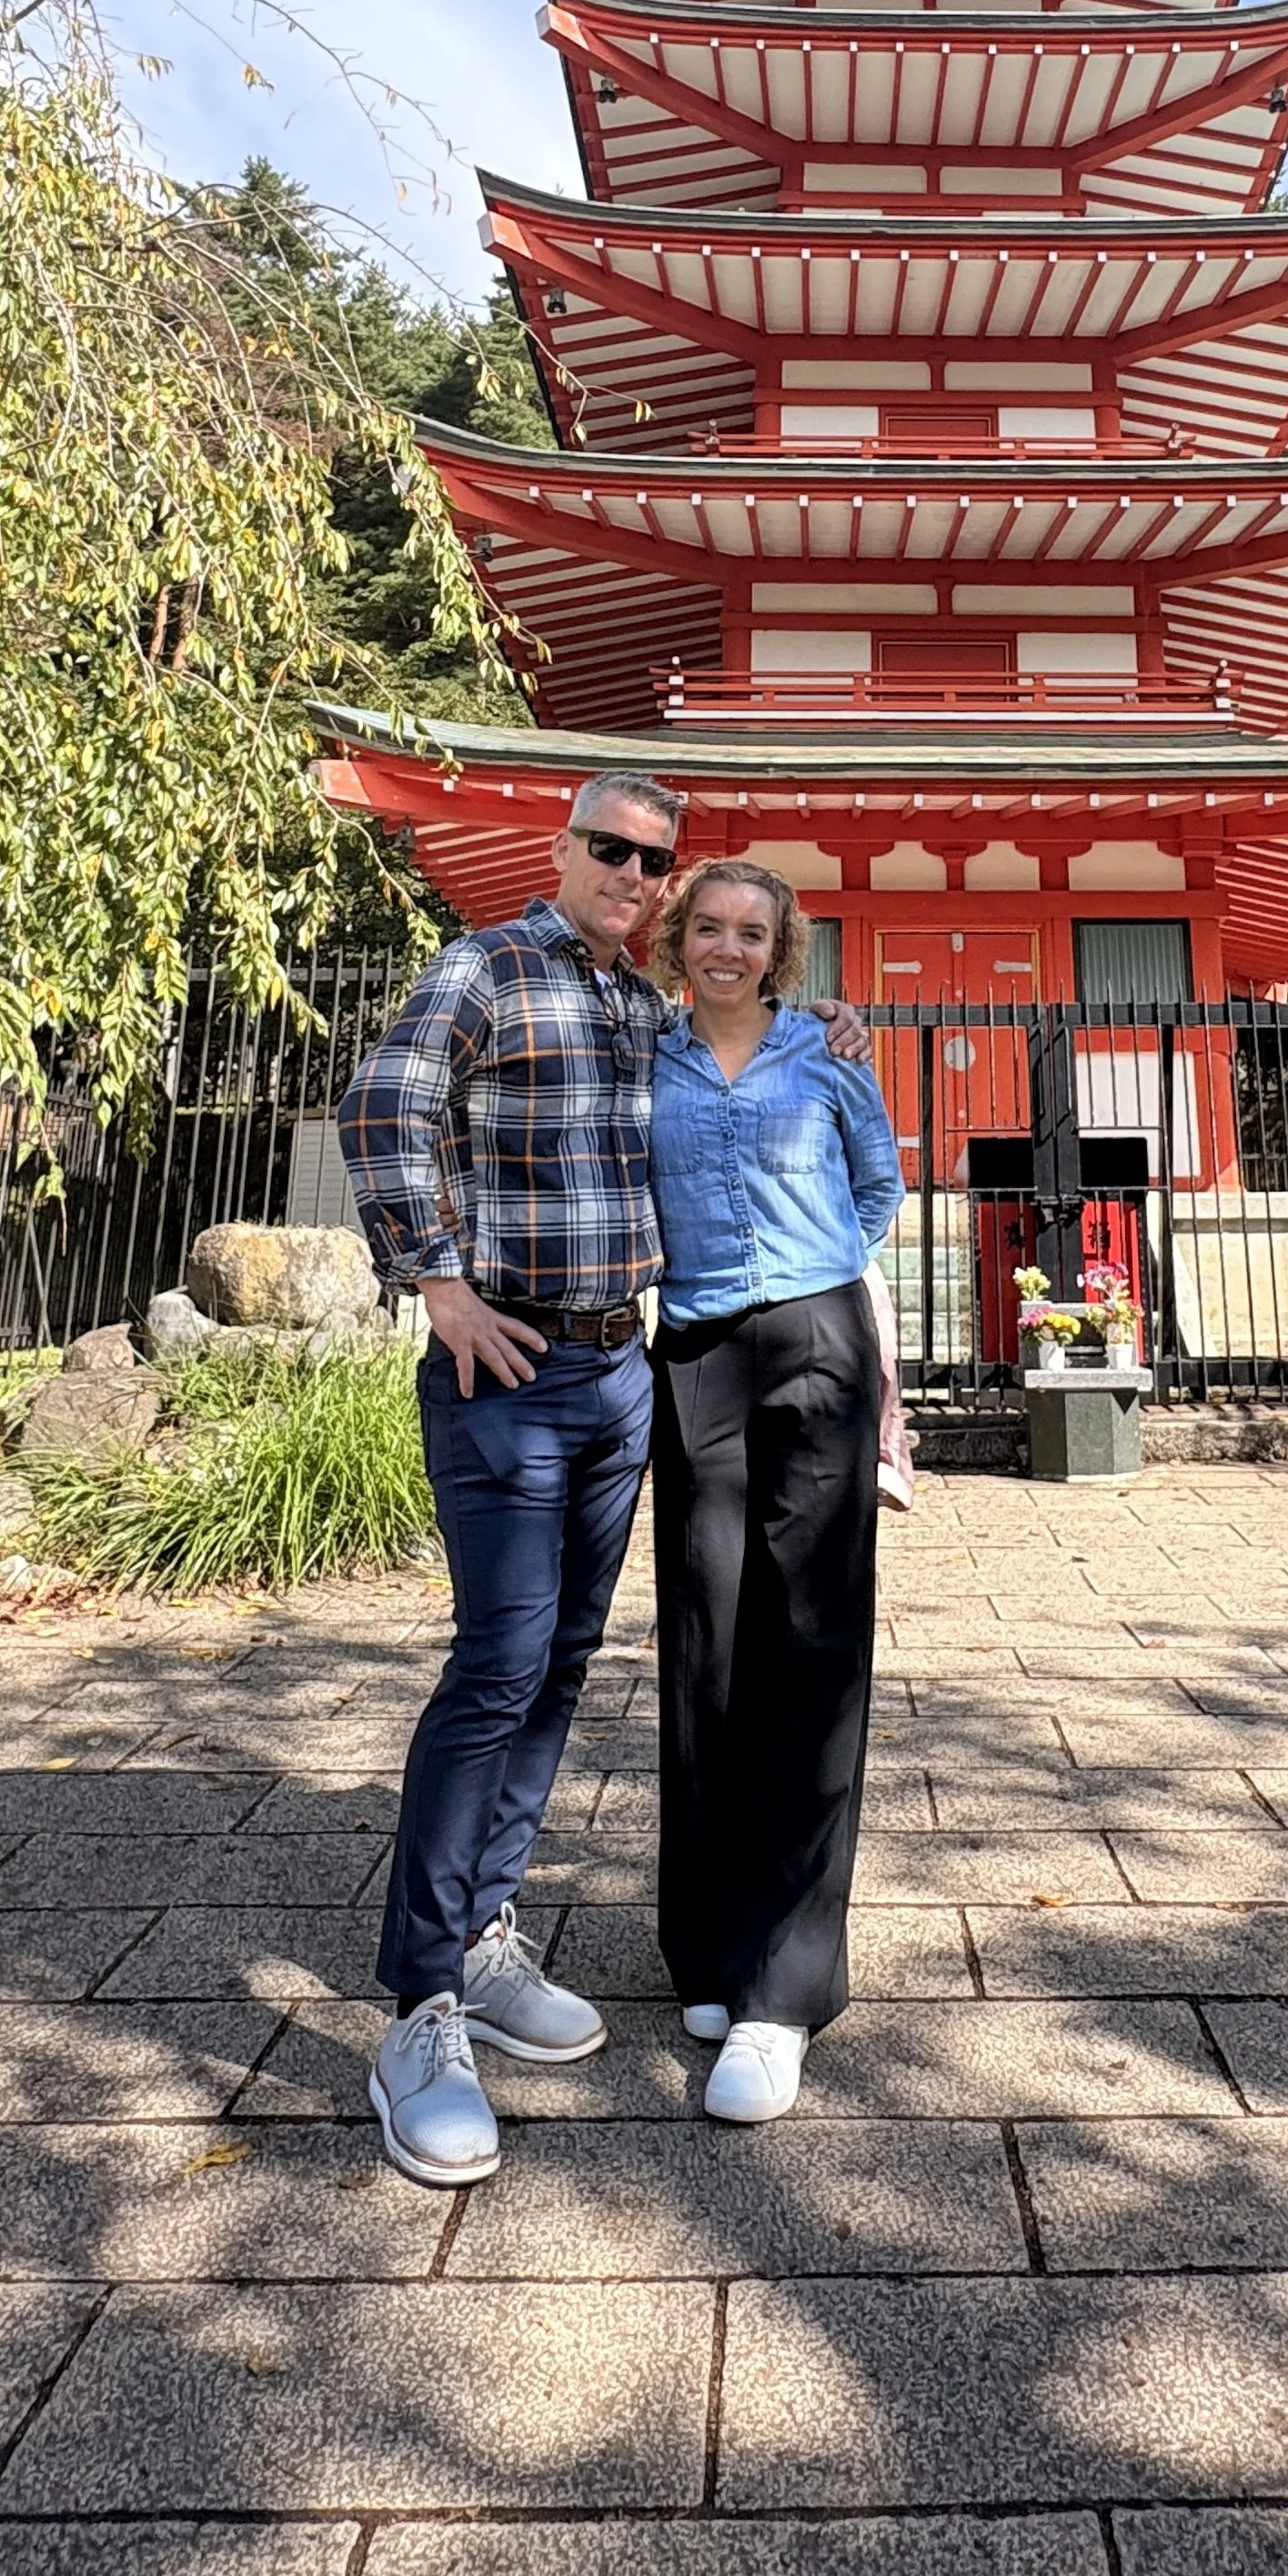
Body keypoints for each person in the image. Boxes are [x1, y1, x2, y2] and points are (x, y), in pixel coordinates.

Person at [335, 770, 866, 2189]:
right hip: (505, 1371)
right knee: (497, 1662)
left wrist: (826, 1038)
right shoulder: (488, 967)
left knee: (567, 1660)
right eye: (613, 851)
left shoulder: (643, 1009)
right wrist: (435, 1284)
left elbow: (766, 1095)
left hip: (624, 1369)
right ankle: (421, 2006)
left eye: (657, 860)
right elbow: (384, 1102)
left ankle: (489, 1934)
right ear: (560, 850)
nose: (637, 876)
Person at [645, 857, 904, 2125]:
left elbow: (880, 1188)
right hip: (694, 1351)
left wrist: (811, 1274)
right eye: (709, 927)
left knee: (809, 1644)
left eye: (754, 932)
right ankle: (705, 1943)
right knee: (702, 1639)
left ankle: (782, 1991)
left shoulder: (827, 1051)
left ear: (782, 947)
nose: (729, 948)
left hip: (813, 1344)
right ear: (679, 939)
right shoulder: (649, 1058)